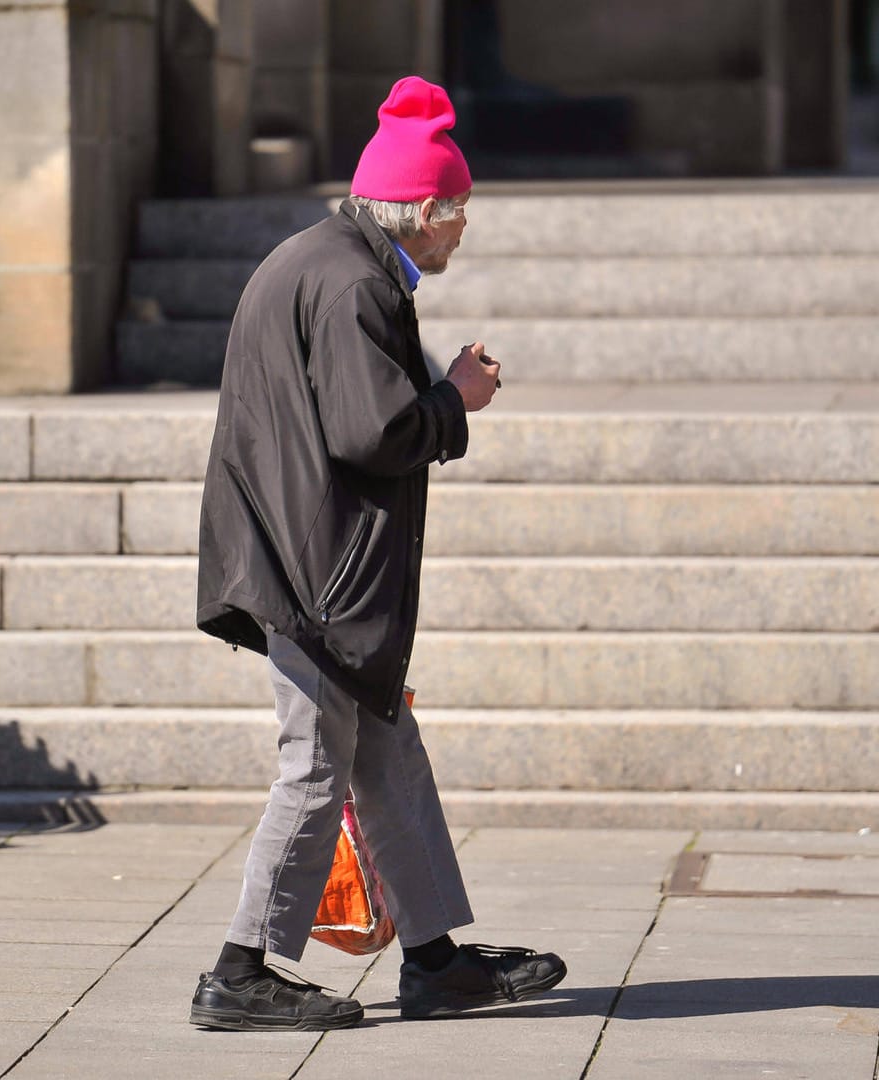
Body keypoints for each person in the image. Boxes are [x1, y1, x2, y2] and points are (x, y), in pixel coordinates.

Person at [188, 75, 566, 1031]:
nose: (464, 229)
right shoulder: (354, 280)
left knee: (390, 758)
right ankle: (238, 971)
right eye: (461, 213)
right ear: (425, 211)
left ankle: (435, 960)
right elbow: (374, 432)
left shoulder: (326, 260)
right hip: (317, 577)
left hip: (311, 560)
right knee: (315, 770)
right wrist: (456, 400)